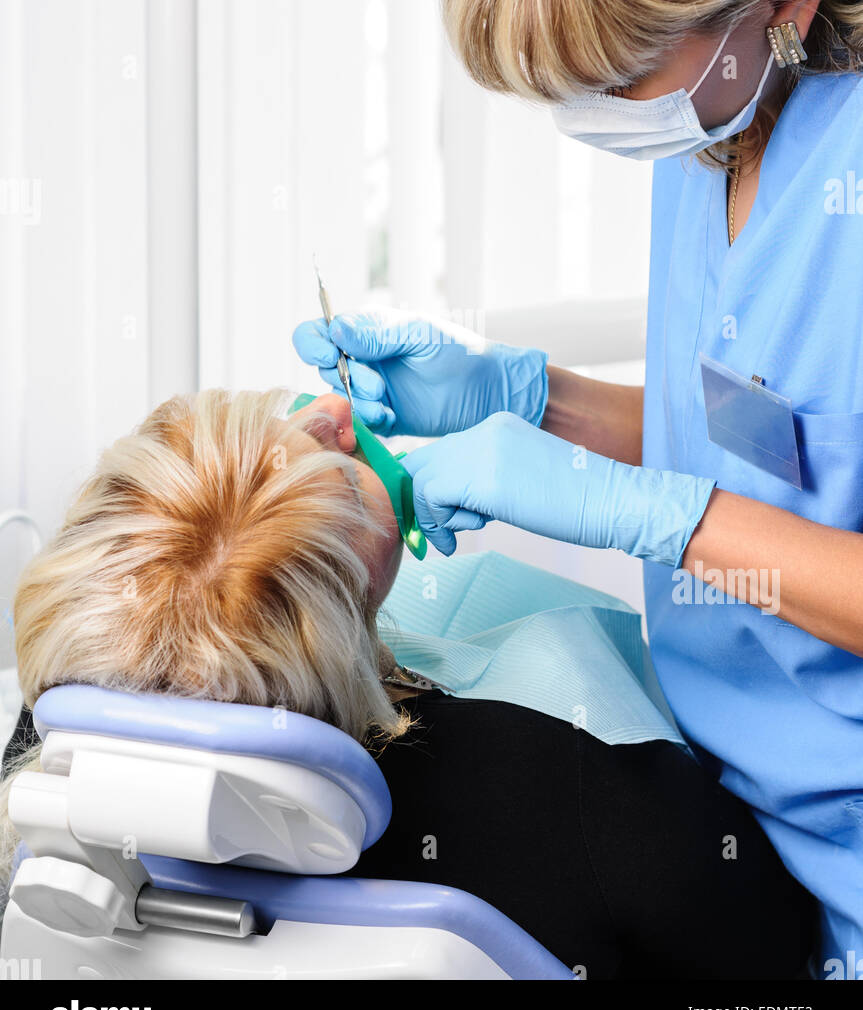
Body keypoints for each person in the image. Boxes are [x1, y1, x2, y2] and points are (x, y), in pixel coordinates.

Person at [293, 0, 863, 978]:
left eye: (610, 80)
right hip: (736, 805)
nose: (589, 116)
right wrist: (520, 395)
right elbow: (769, 425)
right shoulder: (716, 116)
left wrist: (643, 513)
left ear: (779, 0)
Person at [0, 386, 814, 977]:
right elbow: (775, 971)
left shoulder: (47, 754)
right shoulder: (570, 790)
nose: (337, 415)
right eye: (336, 469)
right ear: (362, 582)